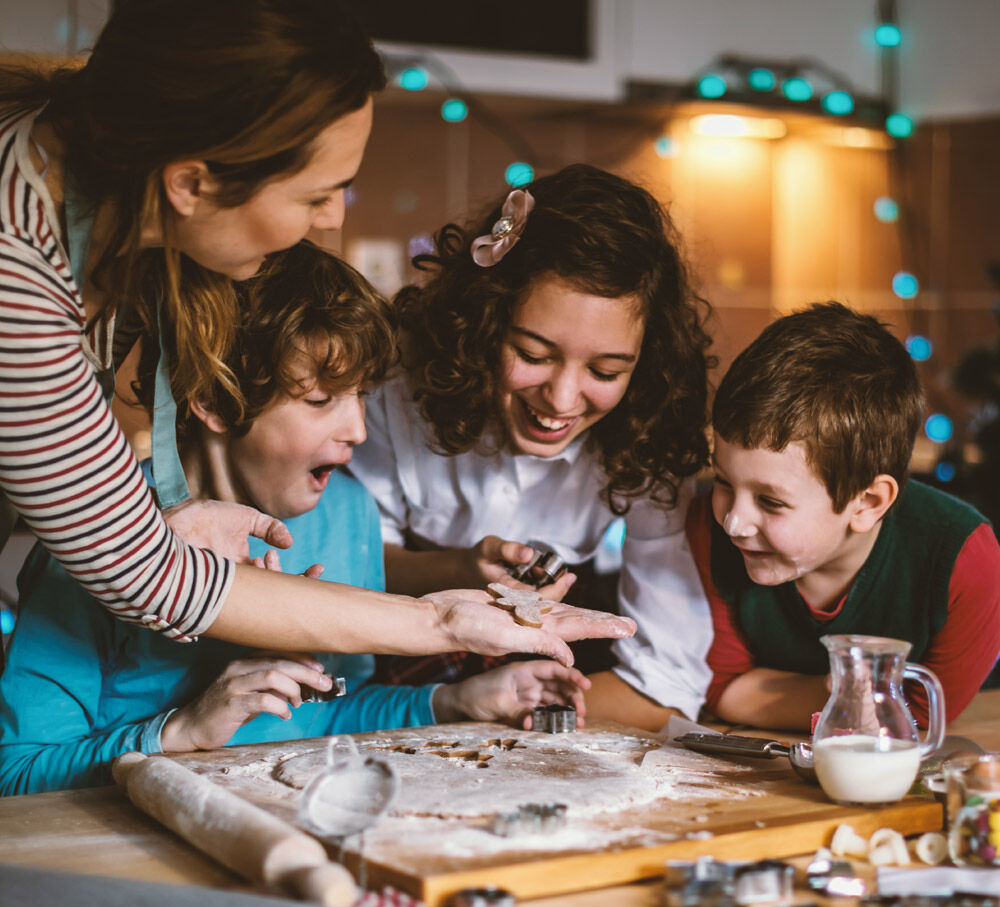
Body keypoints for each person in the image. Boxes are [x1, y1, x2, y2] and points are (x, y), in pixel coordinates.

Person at [0, 0, 630, 666]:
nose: (330, 221)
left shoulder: (100, 190)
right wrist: (442, 621)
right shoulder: (14, 277)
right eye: (314, 195)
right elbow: (147, 577)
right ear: (190, 183)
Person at [0, 243, 591, 795]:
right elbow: (16, 773)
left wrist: (453, 701)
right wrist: (182, 732)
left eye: (361, 395)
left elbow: (333, 711)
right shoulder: (101, 537)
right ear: (213, 398)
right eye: (320, 400)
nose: (357, 429)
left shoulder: (349, 512)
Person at [349, 164, 715, 728]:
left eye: (606, 369)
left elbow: (668, 678)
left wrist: (519, 712)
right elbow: (352, 571)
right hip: (386, 685)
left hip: (539, 685)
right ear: (484, 324)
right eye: (534, 355)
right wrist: (462, 571)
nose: (563, 399)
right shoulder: (397, 396)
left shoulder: (649, 439)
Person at [689, 302, 1000, 731]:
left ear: (868, 503)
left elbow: (920, 719)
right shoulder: (706, 527)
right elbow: (718, 688)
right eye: (723, 481)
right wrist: (847, 696)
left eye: (771, 502)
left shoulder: (967, 561)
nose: (734, 522)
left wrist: (803, 696)